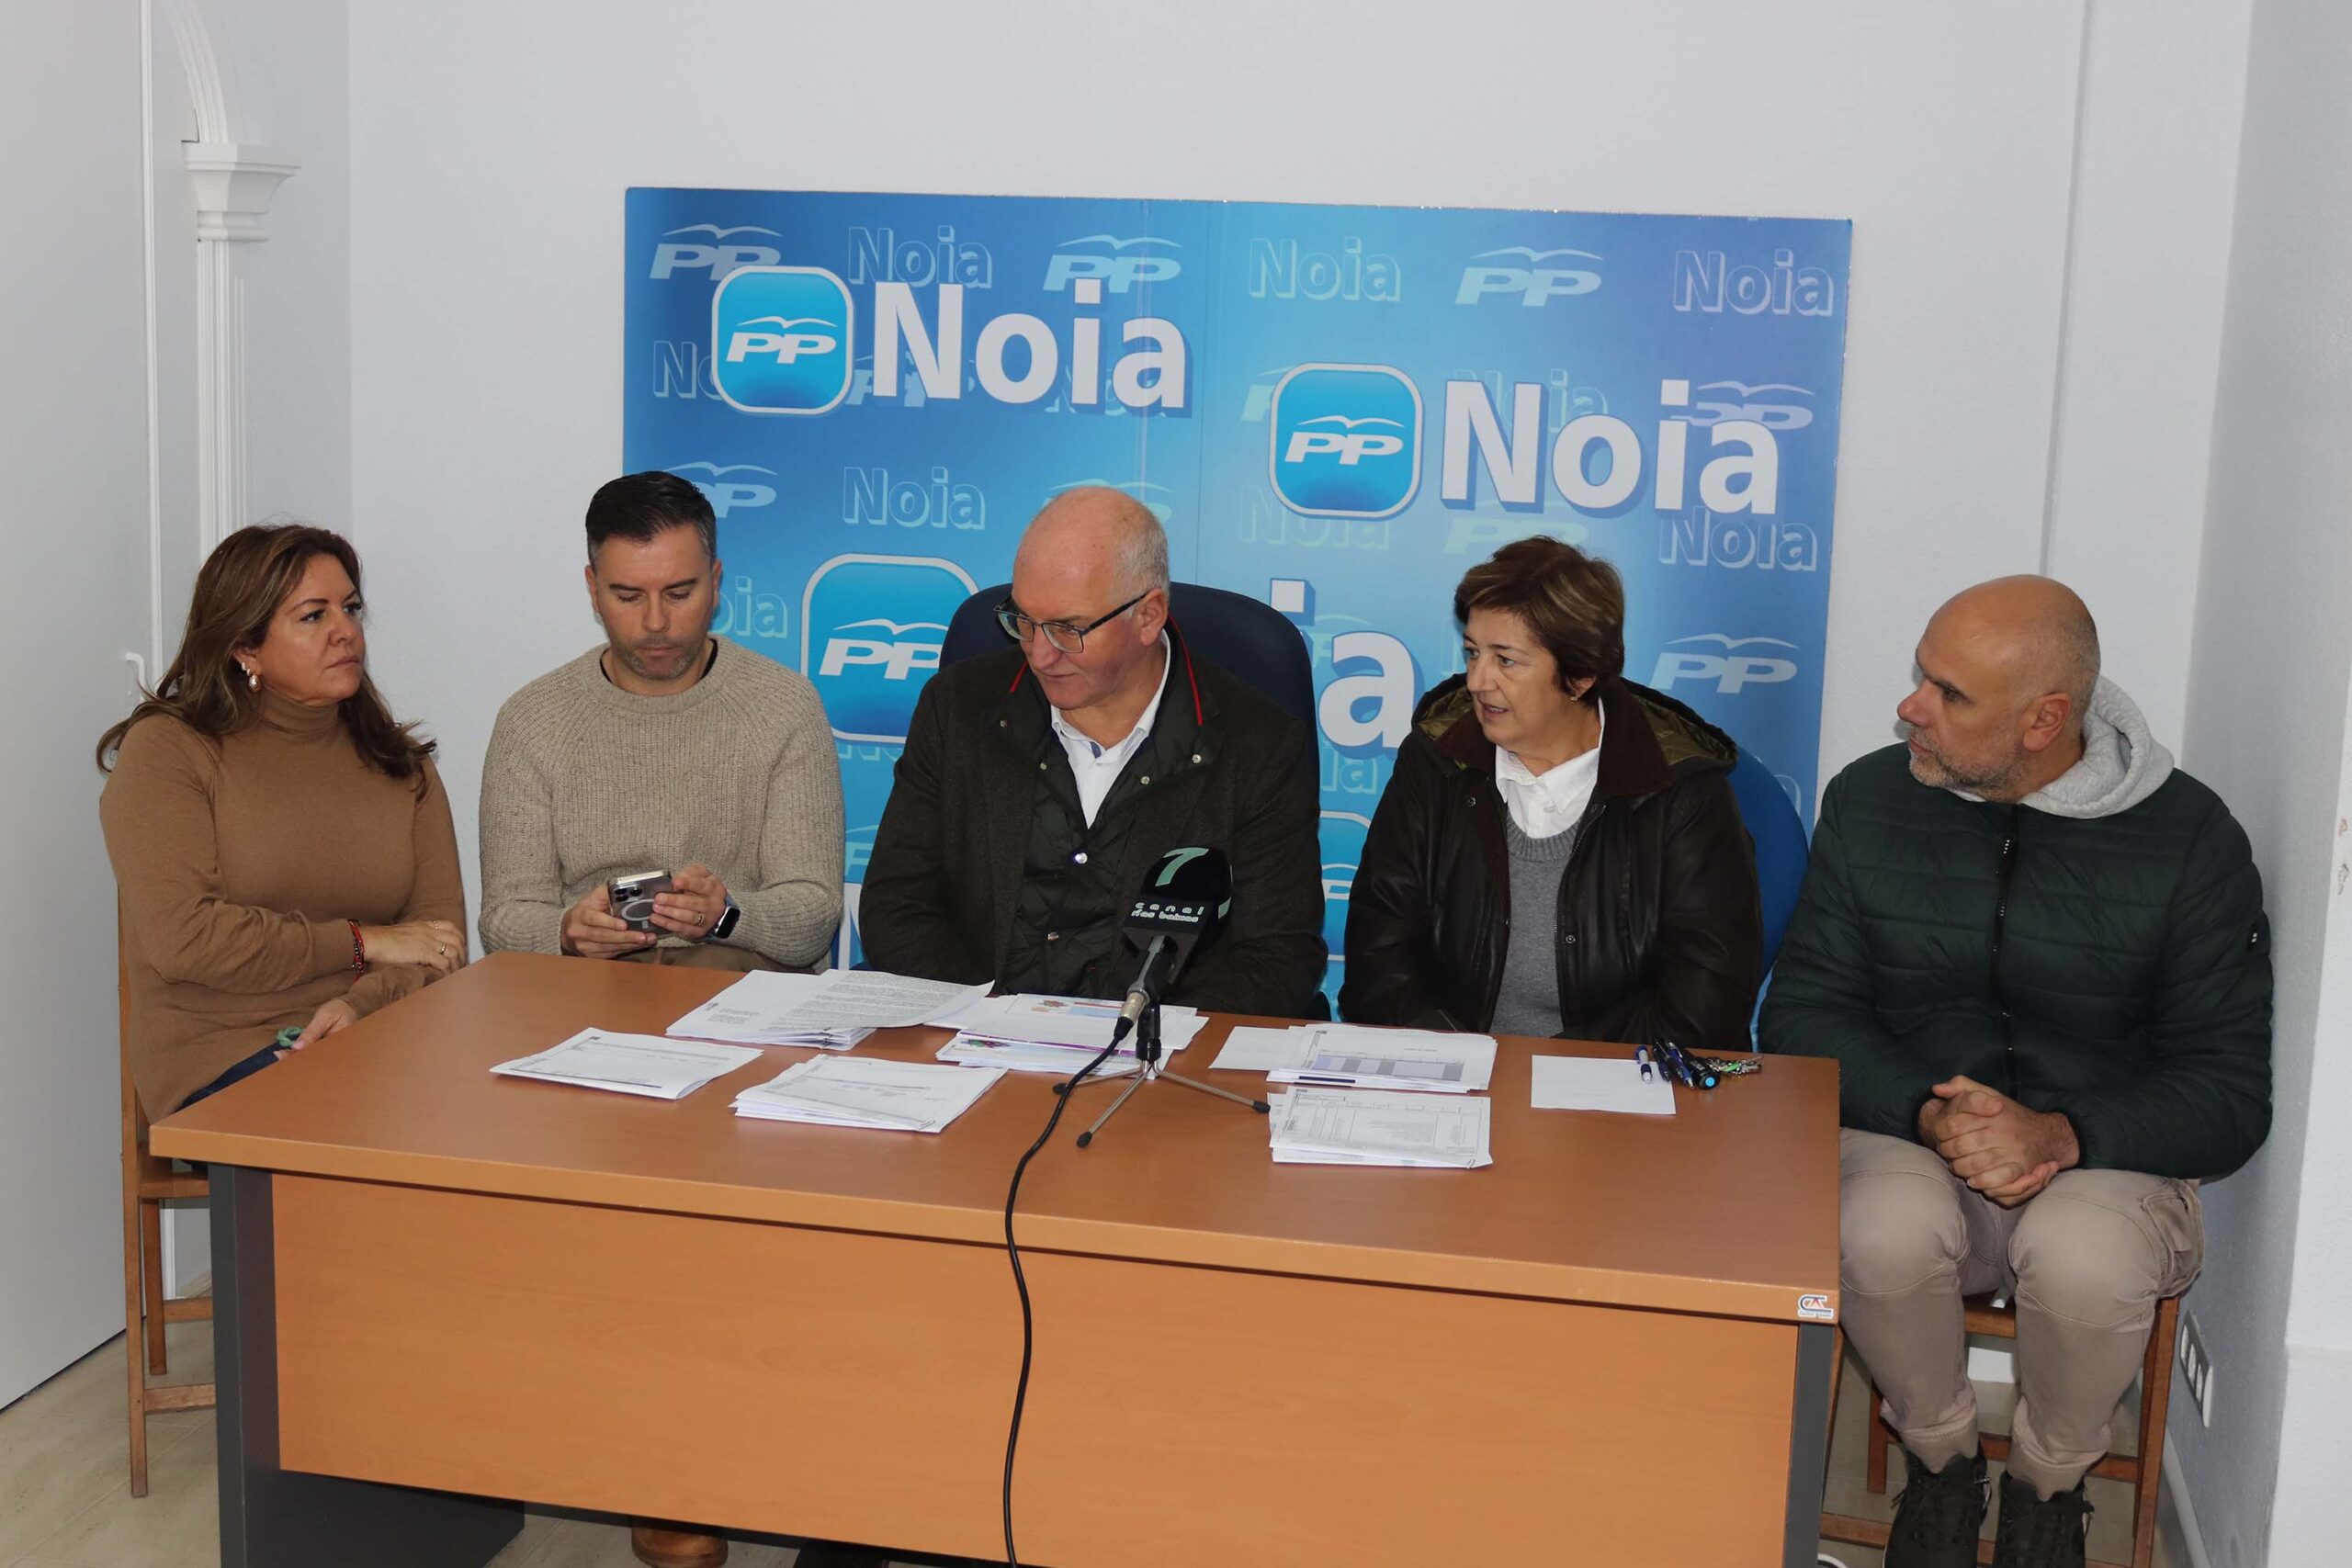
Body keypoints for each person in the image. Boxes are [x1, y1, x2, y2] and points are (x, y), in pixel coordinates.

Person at [1761, 577, 2270, 1568]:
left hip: (2103, 1159)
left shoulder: (2190, 840)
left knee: (2084, 1255)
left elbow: (2227, 1090)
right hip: (1914, 1135)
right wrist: (1927, 1113)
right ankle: (1943, 1470)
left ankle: (2046, 1492)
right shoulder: (1868, 800)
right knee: (1879, 1227)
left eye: (1948, 693)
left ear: (2044, 721)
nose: (1910, 705)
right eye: (1921, 675)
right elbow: (1803, 1014)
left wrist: (2064, 1133)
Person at [860, 485, 1326, 1017]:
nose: (1040, 654)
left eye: (1068, 630)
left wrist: (1136, 1035)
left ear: (1148, 616)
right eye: (1024, 621)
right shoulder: (958, 709)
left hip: (1151, 1053)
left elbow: (1278, 956)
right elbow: (895, 907)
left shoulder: (1257, 745)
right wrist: (986, 1018)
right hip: (972, 1036)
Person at [98, 525, 467, 1119]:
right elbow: (187, 940)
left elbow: (441, 943)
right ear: (245, 647)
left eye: (350, 608)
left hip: (380, 1034)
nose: (345, 631)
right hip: (224, 1050)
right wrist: (362, 942)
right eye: (313, 616)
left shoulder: (401, 765)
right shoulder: (171, 749)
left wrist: (361, 1006)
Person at [1340, 536, 1761, 1046]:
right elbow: (1377, 962)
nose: (1477, 681)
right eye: (1473, 653)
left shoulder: (1682, 793)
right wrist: (1464, 1063)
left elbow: (1705, 1007)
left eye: (1506, 660)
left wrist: (1546, 1072)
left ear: (1579, 676)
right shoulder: (1434, 763)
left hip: (1621, 1082)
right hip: (1454, 1073)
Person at [478, 471, 842, 974]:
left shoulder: (783, 706)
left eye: (678, 593)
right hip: (587, 986)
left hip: (738, 980)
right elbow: (504, 917)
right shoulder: (532, 720)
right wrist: (565, 932)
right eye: (628, 597)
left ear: (715, 583)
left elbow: (814, 912)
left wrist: (728, 915)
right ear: (593, 589)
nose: (655, 623)